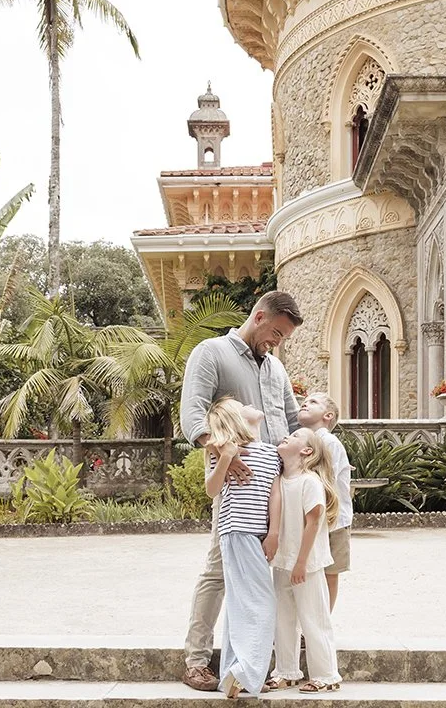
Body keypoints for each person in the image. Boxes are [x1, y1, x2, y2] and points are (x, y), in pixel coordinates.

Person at [178, 290, 305, 692]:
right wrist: (221, 454)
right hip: (232, 482)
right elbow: (193, 412)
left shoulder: (276, 369)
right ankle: (197, 661)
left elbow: (289, 419)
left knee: (261, 575)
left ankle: (247, 665)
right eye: (277, 333)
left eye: (284, 338)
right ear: (260, 315)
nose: (278, 342)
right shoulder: (211, 352)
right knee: (218, 569)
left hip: (273, 483)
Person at [203, 398, 282, 699]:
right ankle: (247, 671)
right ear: (234, 417)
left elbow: (275, 494)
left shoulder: (270, 452)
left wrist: (273, 532)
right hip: (236, 531)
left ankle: (236, 674)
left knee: (241, 604)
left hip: (256, 533)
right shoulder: (220, 451)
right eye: (240, 403)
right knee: (262, 603)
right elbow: (212, 490)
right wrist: (226, 457)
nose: (249, 402)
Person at [264, 427, 342, 694]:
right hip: (283, 561)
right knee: (283, 618)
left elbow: (313, 521)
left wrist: (301, 562)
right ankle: (286, 670)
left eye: (296, 436)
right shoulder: (279, 480)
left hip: (306, 563)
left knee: (313, 618)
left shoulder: (309, 481)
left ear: (306, 451)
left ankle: (327, 674)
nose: (288, 436)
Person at [297, 392, 352, 608]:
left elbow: (323, 479)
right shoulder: (300, 440)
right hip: (313, 519)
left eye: (313, 402)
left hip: (332, 520)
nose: (305, 403)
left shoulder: (328, 442)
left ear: (328, 415)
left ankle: (321, 623)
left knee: (330, 572)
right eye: (304, 401)